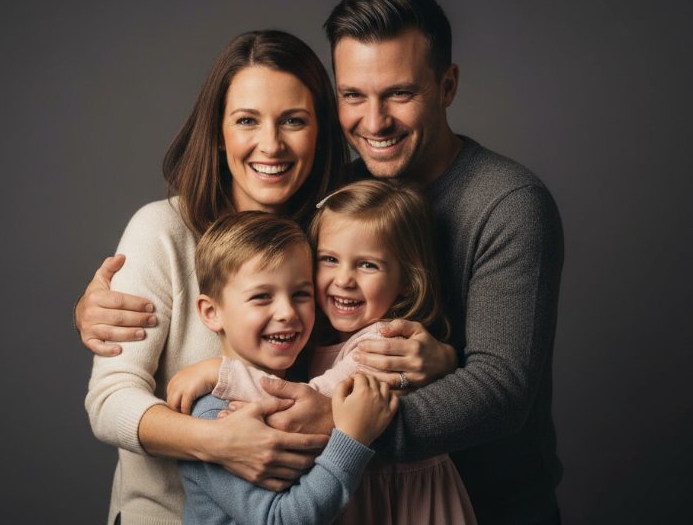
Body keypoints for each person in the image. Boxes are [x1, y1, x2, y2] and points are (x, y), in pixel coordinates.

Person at [79, 0, 565, 524]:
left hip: (467, 505)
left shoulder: (349, 214)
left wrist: (445, 361)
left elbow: (495, 385)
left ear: (447, 85)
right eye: (353, 95)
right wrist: (217, 439)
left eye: (400, 93)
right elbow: (113, 395)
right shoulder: (201, 226)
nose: (374, 121)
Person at [170, 179, 476, 525]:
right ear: (211, 312)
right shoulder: (217, 412)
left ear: (406, 279)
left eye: (368, 265)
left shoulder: (383, 344)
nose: (344, 279)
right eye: (329, 259)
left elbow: (305, 404)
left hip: (404, 503)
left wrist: (220, 372)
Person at [178, 210, 397, 525]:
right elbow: (279, 519)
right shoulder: (215, 415)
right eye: (262, 297)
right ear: (211, 312)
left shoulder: (306, 379)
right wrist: (352, 439)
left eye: (300, 294)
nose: (287, 312)